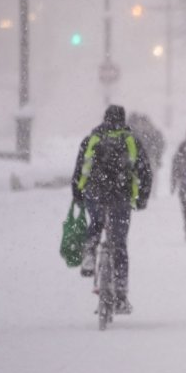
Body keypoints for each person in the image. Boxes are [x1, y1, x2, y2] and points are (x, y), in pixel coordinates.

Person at [72, 105, 153, 313]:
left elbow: (80, 168)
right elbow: (144, 171)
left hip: (95, 193)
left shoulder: (92, 138)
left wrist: (78, 194)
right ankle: (121, 295)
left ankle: (90, 251)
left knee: (97, 222)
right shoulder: (131, 140)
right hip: (120, 195)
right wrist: (142, 198)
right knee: (119, 244)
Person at [127, 112, 165, 182]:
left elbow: (160, 145)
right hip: (149, 158)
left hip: (147, 158)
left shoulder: (136, 133)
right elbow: (160, 144)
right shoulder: (151, 133)